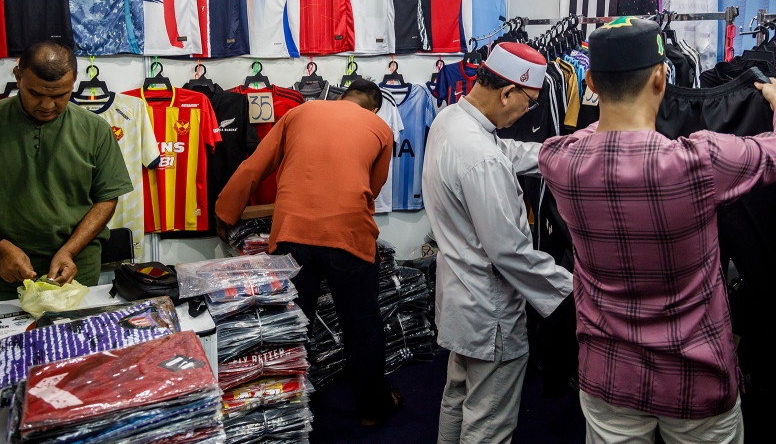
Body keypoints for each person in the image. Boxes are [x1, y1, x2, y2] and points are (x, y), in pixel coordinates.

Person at [538, 18, 776, 444]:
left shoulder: (559, 159)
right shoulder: (700, 161)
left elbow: (592, 136)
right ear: (661, 77)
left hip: (609, 375)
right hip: (696, 377)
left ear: (590, 81)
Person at [215, 79, 401, 426]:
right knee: (362, 325)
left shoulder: (300, 112)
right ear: (374, 108)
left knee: (294, 325)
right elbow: (372, 189)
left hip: (293, 232)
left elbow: (255, 166)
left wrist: (226, 212)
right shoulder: (380, 127)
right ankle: (373, 409)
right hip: (348, 233)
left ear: (341, 98)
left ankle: (289, 406)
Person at [423, 42, 574, 444]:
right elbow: (509, 251)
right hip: (490, 313)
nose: (528, 113)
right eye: (529, 104)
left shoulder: (451, 120)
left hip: (459, 298)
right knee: (489, 422)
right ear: (508, 93)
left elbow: (503, 151)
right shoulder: (481, 156)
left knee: (457, 396)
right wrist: (571, 288)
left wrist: (559, 153)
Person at [0, 41, 133, 303]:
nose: (47, 105)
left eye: (60, 95)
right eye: (35, 93)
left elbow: (106, 199)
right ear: (18, 76)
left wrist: (70, 250)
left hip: (73, 279)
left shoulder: (96, 130)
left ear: (74, 81)